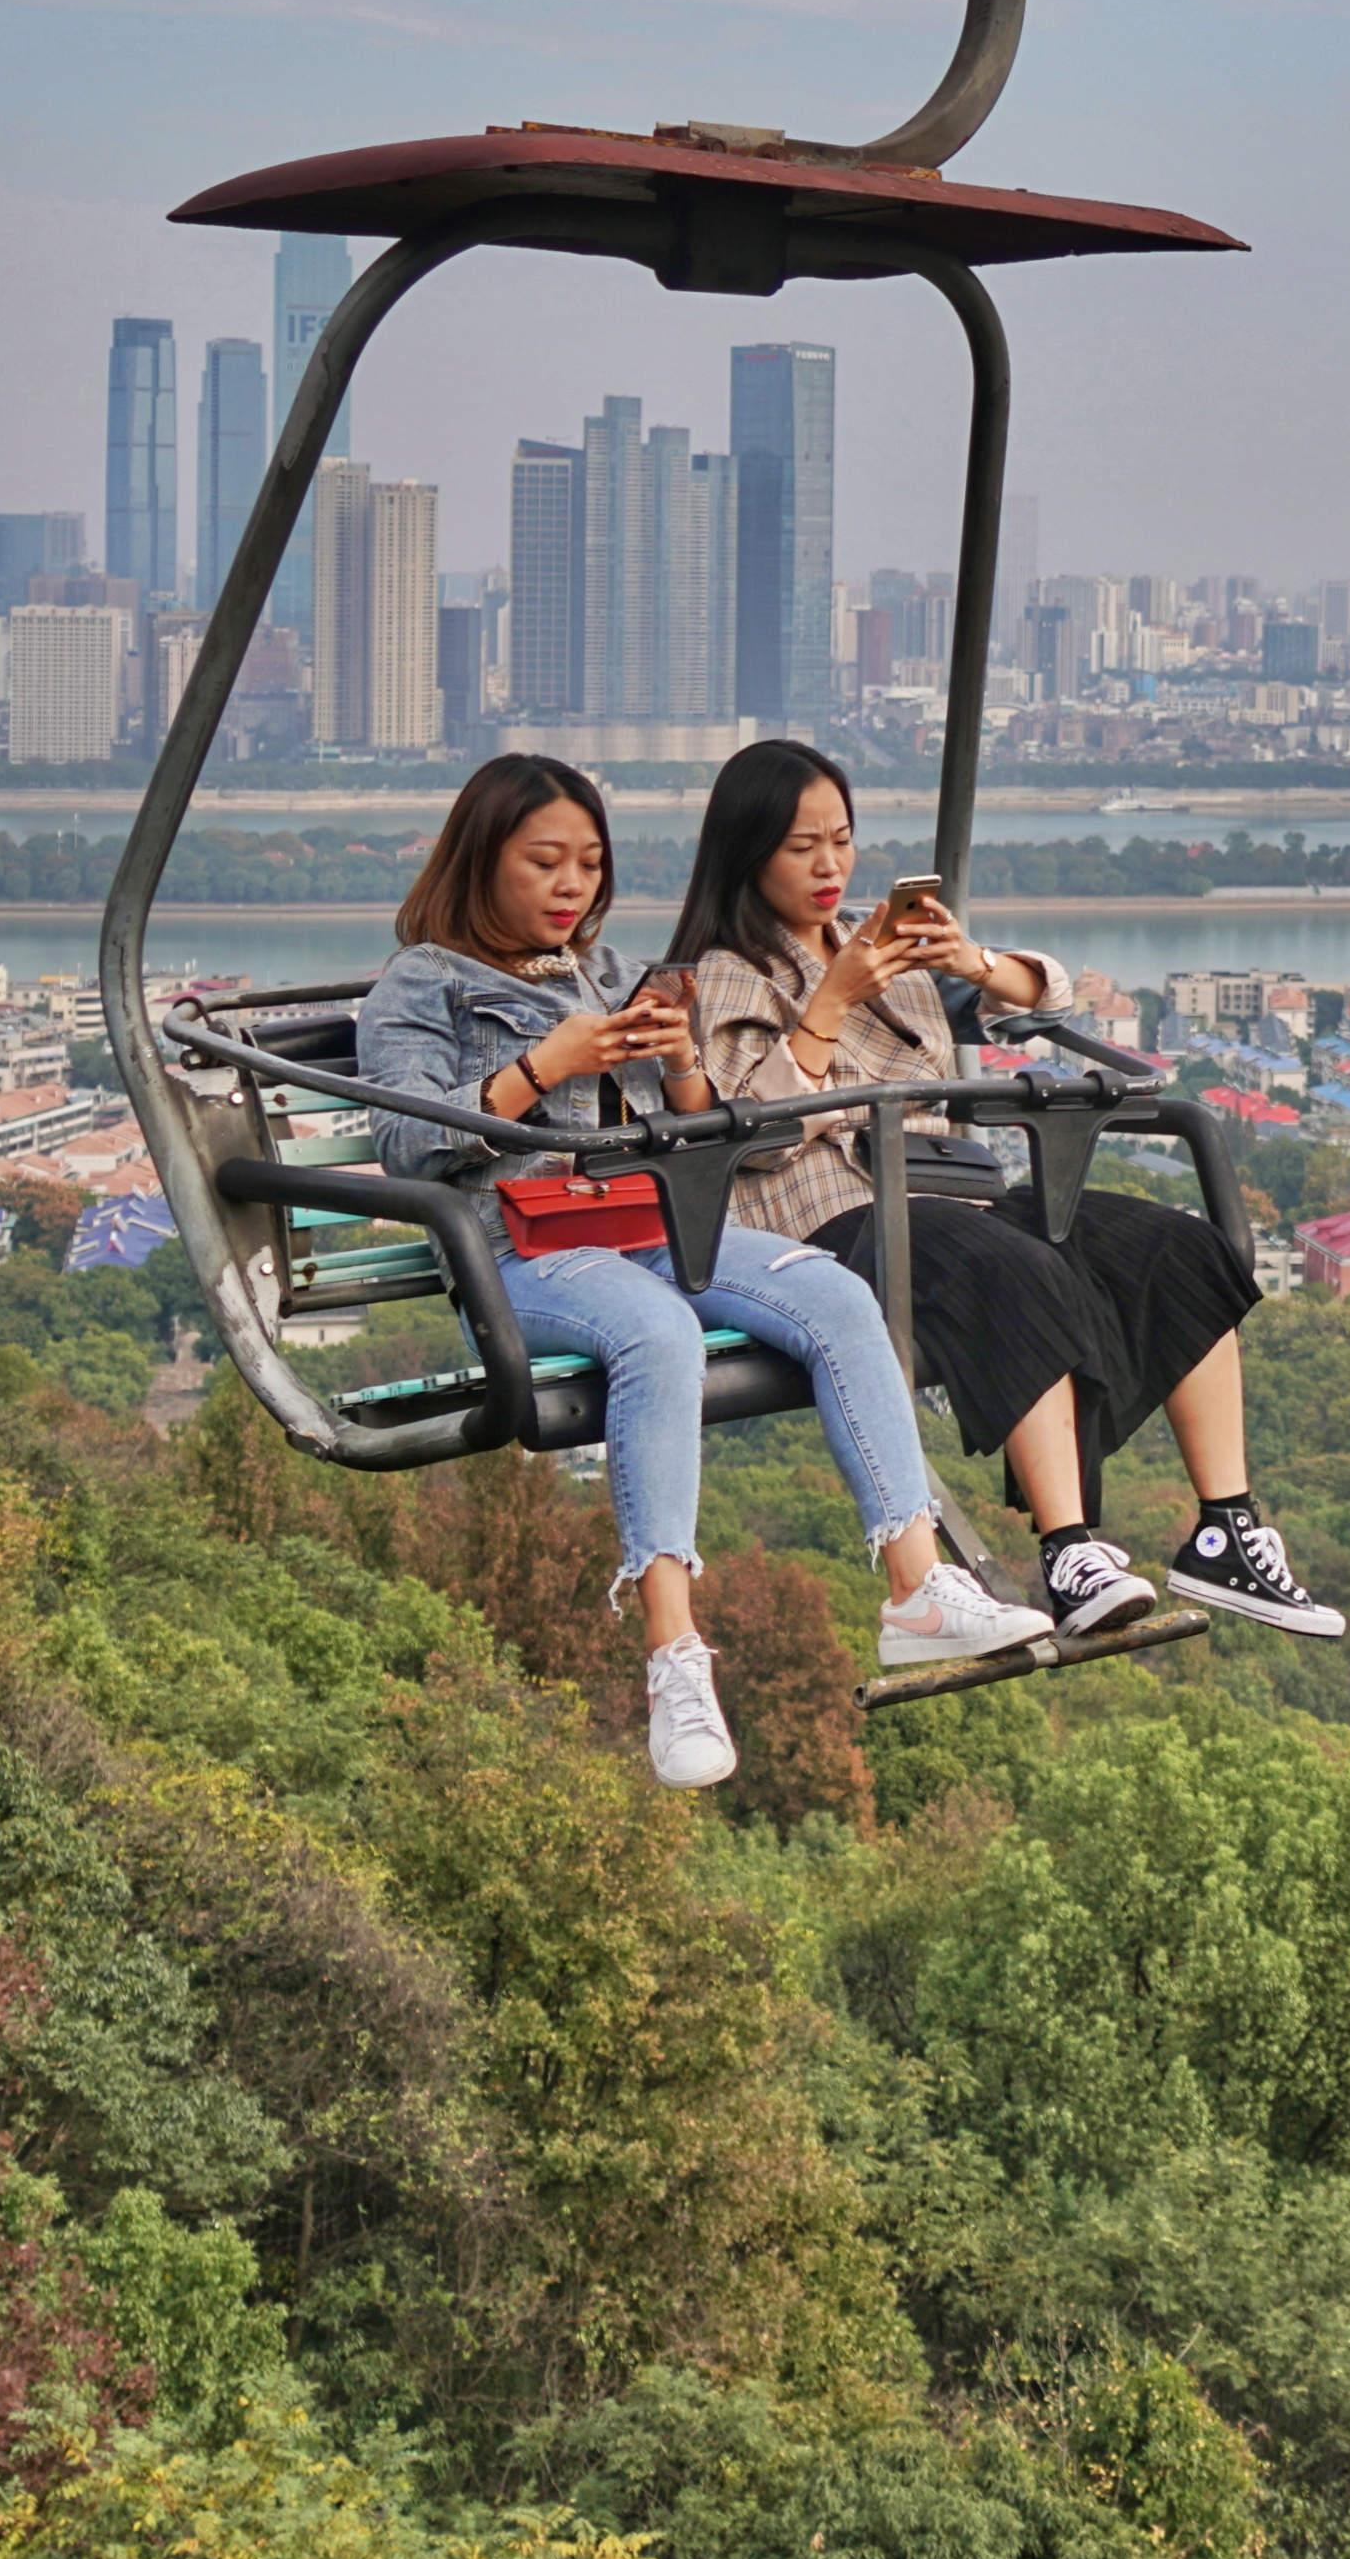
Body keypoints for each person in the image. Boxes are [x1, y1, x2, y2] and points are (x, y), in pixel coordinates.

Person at [355, 752, 1051, 1787]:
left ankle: (918, 1588)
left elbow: (688, 1136)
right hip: (524, 1253)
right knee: (657, 1332)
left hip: (644, 1221)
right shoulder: (426, 981)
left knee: (835, 1295)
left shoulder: (602, 971)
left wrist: (676, 1060)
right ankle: (674, 1658)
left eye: (589, 865)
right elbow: (408, 1145)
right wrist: (547, 1064)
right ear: (481, 862)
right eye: (545, 862)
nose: (571, 888)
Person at [642, 740, 1343, 1645]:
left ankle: (1227, 1528)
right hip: (835, 1217)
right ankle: (1068, 1550)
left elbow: (1039, 1000)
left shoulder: (877, 948)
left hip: (951, 1190)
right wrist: (828, 1002)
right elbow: (750, 1134)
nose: (828, 867)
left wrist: (967, 959)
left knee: (1174, 1246)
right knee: (1011, 1266)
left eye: (842, 841)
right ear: (748, 854)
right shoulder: (719, 975)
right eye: (798, 847)